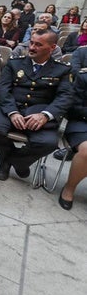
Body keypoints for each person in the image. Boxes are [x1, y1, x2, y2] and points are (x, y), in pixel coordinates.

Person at [0, 29, 74, 181]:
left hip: (38, 114)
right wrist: (12, 112)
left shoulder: (62, 70)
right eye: (31, 43)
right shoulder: (15, 63)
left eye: (38, 45)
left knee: (49, 143)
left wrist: (45, 115)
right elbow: (2, 89)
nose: (32, 47)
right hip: (10, 109)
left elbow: (65, 97)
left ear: (52, 48)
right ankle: (11, 160)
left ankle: (15, 162)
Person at [58, 68, 87, 210]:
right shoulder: (83, 77)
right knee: (86, 151)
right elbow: (71, 108)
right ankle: (69, 188)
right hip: (82, 124)